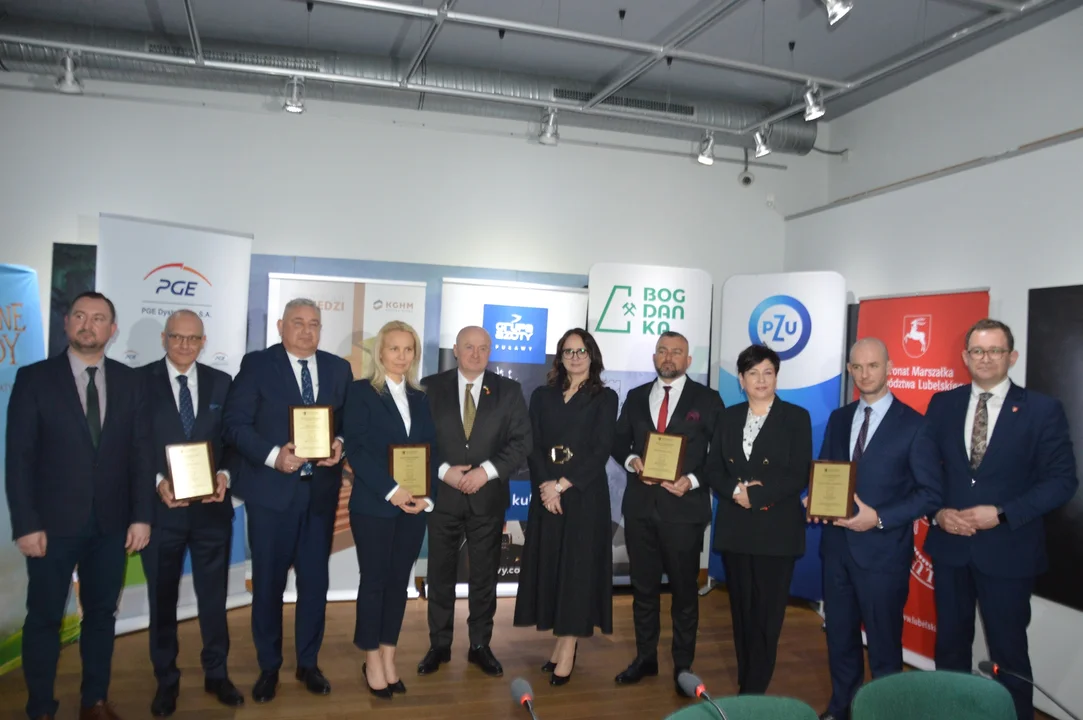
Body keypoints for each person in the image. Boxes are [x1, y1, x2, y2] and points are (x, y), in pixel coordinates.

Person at [5, 291, 153, 720]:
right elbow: (19, 459)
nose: (89, 325)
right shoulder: (34, 379)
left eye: (99, 318)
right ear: (67, 323)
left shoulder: (130, 382)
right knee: (44, 618)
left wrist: (141, 517)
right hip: (50, 527)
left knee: (102, 615)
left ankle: (95, 700)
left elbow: (141, 456)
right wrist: (25, 524)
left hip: (111, 525)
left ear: (112, 329)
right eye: (80, 316)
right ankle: (40, 707)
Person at [924, 318, 1078, 720]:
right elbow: (924, 470)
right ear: (965, 357)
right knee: (950, 649)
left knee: (1009, 655)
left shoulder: (1041, 410)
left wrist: (1003, 513)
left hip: (1009, 552)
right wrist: (937, 513)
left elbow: (1062, 481)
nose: (986, 358)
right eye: (978, 350)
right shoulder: (943, 404)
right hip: (951, 548)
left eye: (995, 350)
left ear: (1012, 356)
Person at [223, 298, 352, 702]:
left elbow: (348, 420)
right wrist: (272, 455)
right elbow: (234, 424)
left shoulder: (338, 368)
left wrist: (339, 442)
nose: (307, 330)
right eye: (298, 322)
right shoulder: (257, 365)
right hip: (271, 495)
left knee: (315, 583)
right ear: (281, 326)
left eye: (314, 324)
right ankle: (269, 666)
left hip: (320, 496)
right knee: (268, 585)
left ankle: (308, 663)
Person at [815, 338, 941, 720]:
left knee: (884, 648)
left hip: (883, 554)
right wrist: (815, 500)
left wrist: (879, 517)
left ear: (889, 368)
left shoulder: (915, 425)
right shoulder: (839, 419)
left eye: (873, 365)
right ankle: (842, 707)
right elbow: (827, 470)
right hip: (836, 551)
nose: (865, 374)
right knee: (840, 639)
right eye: (857, 367)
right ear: (849, 370)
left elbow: (930, 494)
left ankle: (884, 713)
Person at [139, 310, 244, 717]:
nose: (185, 345)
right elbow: (132, 444)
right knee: (162, 600)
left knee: (214, 600)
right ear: (164, 339)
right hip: (161, 512)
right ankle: (166, 680)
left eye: (193, 338)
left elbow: (232, 441)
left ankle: (217, 673)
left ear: (203, 342)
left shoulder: (222, 382)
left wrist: (224, 474)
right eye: (177, 337)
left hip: (210, 513)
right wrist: (156, 481)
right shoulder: (139, 382)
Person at [611, 331, 724, 696]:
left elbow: (720, 455)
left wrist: (692, 480)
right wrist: (633, 460)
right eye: (662, 351)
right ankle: (645, 658)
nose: (668, 357)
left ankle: (683, 667)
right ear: (654, 357)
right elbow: (618, 441)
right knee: (643, 590)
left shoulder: (708, 400)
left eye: (677, 352)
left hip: (684, 511)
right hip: (641, 509)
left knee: (684, 594)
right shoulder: (636, 396)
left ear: (688, 360)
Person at [417, 325, 532, 678]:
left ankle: (480, 645)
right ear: (455, 349)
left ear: (490, 350)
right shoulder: (429, 387)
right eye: (469, 346)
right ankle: (439, 644)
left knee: (484, 577)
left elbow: (522, 442)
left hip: (488, 497)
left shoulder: (509, 391)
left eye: (483, 347)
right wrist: (443, 472)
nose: (476, 353)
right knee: (440, 575)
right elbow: (417, 440)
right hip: (443, 497)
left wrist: (486, 472)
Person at [513, 328, 618, 686]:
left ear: (592, 356)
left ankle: (569, 647)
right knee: (555, 569)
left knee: (577, 571)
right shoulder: (542, 396)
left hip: (584, 495)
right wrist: (547, 487)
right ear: (559, 357)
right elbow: (533, 445)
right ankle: (561, 642)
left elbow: (600, 450)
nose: (575, 357)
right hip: (548, 495)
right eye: (568, 351)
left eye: (581, 351)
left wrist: (561, 484)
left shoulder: (605, 398)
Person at [341, 321, 438, 699]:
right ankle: (371, 658)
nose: (401, 356)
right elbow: (356, 449)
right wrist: (392, 491)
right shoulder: (360, 392)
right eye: (394, 348)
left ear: (415, 354)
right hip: (374, 505)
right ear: (380, 352)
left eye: (408, 349)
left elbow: (432, 451)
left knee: (399, 583)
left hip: (414, 509)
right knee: (375, 582)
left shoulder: (421, 397)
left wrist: (427, 497)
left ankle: (389, 655)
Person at [710, 344, 811, 696]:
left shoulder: (796, 418)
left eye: (768, 372)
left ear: (776, 376)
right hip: (737, 528)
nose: (761, 379)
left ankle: (754, 690)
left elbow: (799, 473)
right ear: (741, 379)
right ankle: (746, 679)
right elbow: (713, 468)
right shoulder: (728, 417)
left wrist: (757, 495)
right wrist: (735, 490)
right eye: (753, 373)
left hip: (776, 531)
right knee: (742, 612)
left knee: (767, 615)